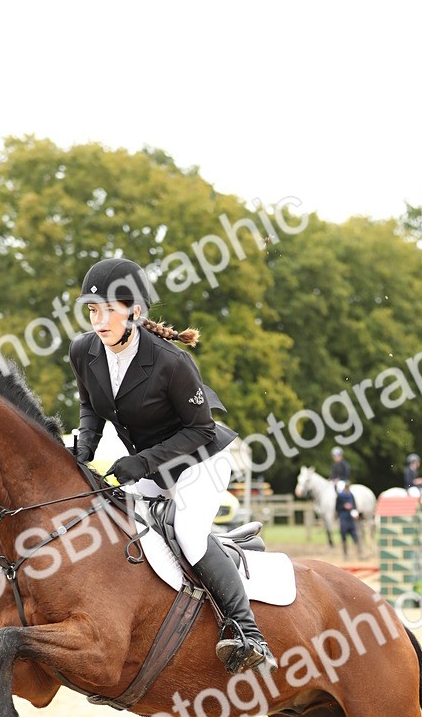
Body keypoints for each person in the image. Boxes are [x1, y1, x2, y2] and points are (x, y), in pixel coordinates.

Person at [69, 256, 276, 675]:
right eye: (93, 310)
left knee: (185, 532)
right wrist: (83, 450)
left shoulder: (170, 361)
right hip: (148, 465)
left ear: (135, 312)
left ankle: (248, 632)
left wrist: (141, 462)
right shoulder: (84, 350)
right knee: (117, 521)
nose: (99, 320)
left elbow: (200, 430)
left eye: (109, 309)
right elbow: (90, 404)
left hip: (202, 460)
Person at [334, 479, 361, 557]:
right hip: (343, 518)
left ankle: (358, 553)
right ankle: (345, 554)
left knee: (355, 535)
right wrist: (344, 506)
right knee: (343, 536)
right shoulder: (340, 496)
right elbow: (337, 508)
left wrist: (355, 512)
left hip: (351, 518)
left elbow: (355, 505)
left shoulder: (351, 495)